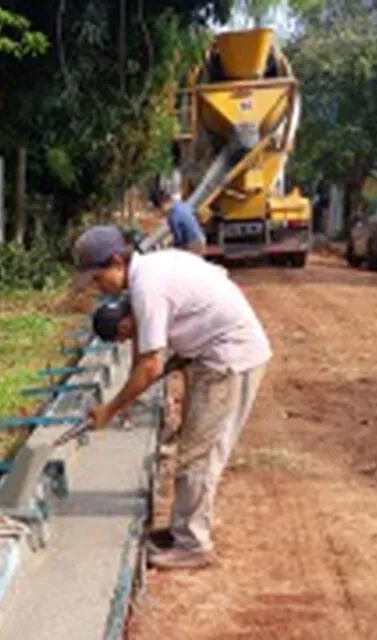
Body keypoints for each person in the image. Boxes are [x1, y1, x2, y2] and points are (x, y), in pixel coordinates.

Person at [73, 225, 271, 570]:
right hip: (215, 354)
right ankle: (183, 529)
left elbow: (151, 366)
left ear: (117, 261)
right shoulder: (150, 271)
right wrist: (130, 397)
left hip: (228, 358)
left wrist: (111, 409)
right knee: (195, 448)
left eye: (97, 276)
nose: (97, 286)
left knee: (199, 452)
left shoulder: (148, 288)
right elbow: (148, 355)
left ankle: (193, 543)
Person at [150, 186, 206, 254]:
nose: (161, 212)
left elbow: (178, 240)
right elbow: (196, 215)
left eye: (159, 209)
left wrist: (168, 248)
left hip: (193, 244)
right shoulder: (182, 204)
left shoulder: (173, 216)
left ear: (163, 204)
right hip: (201, 238)